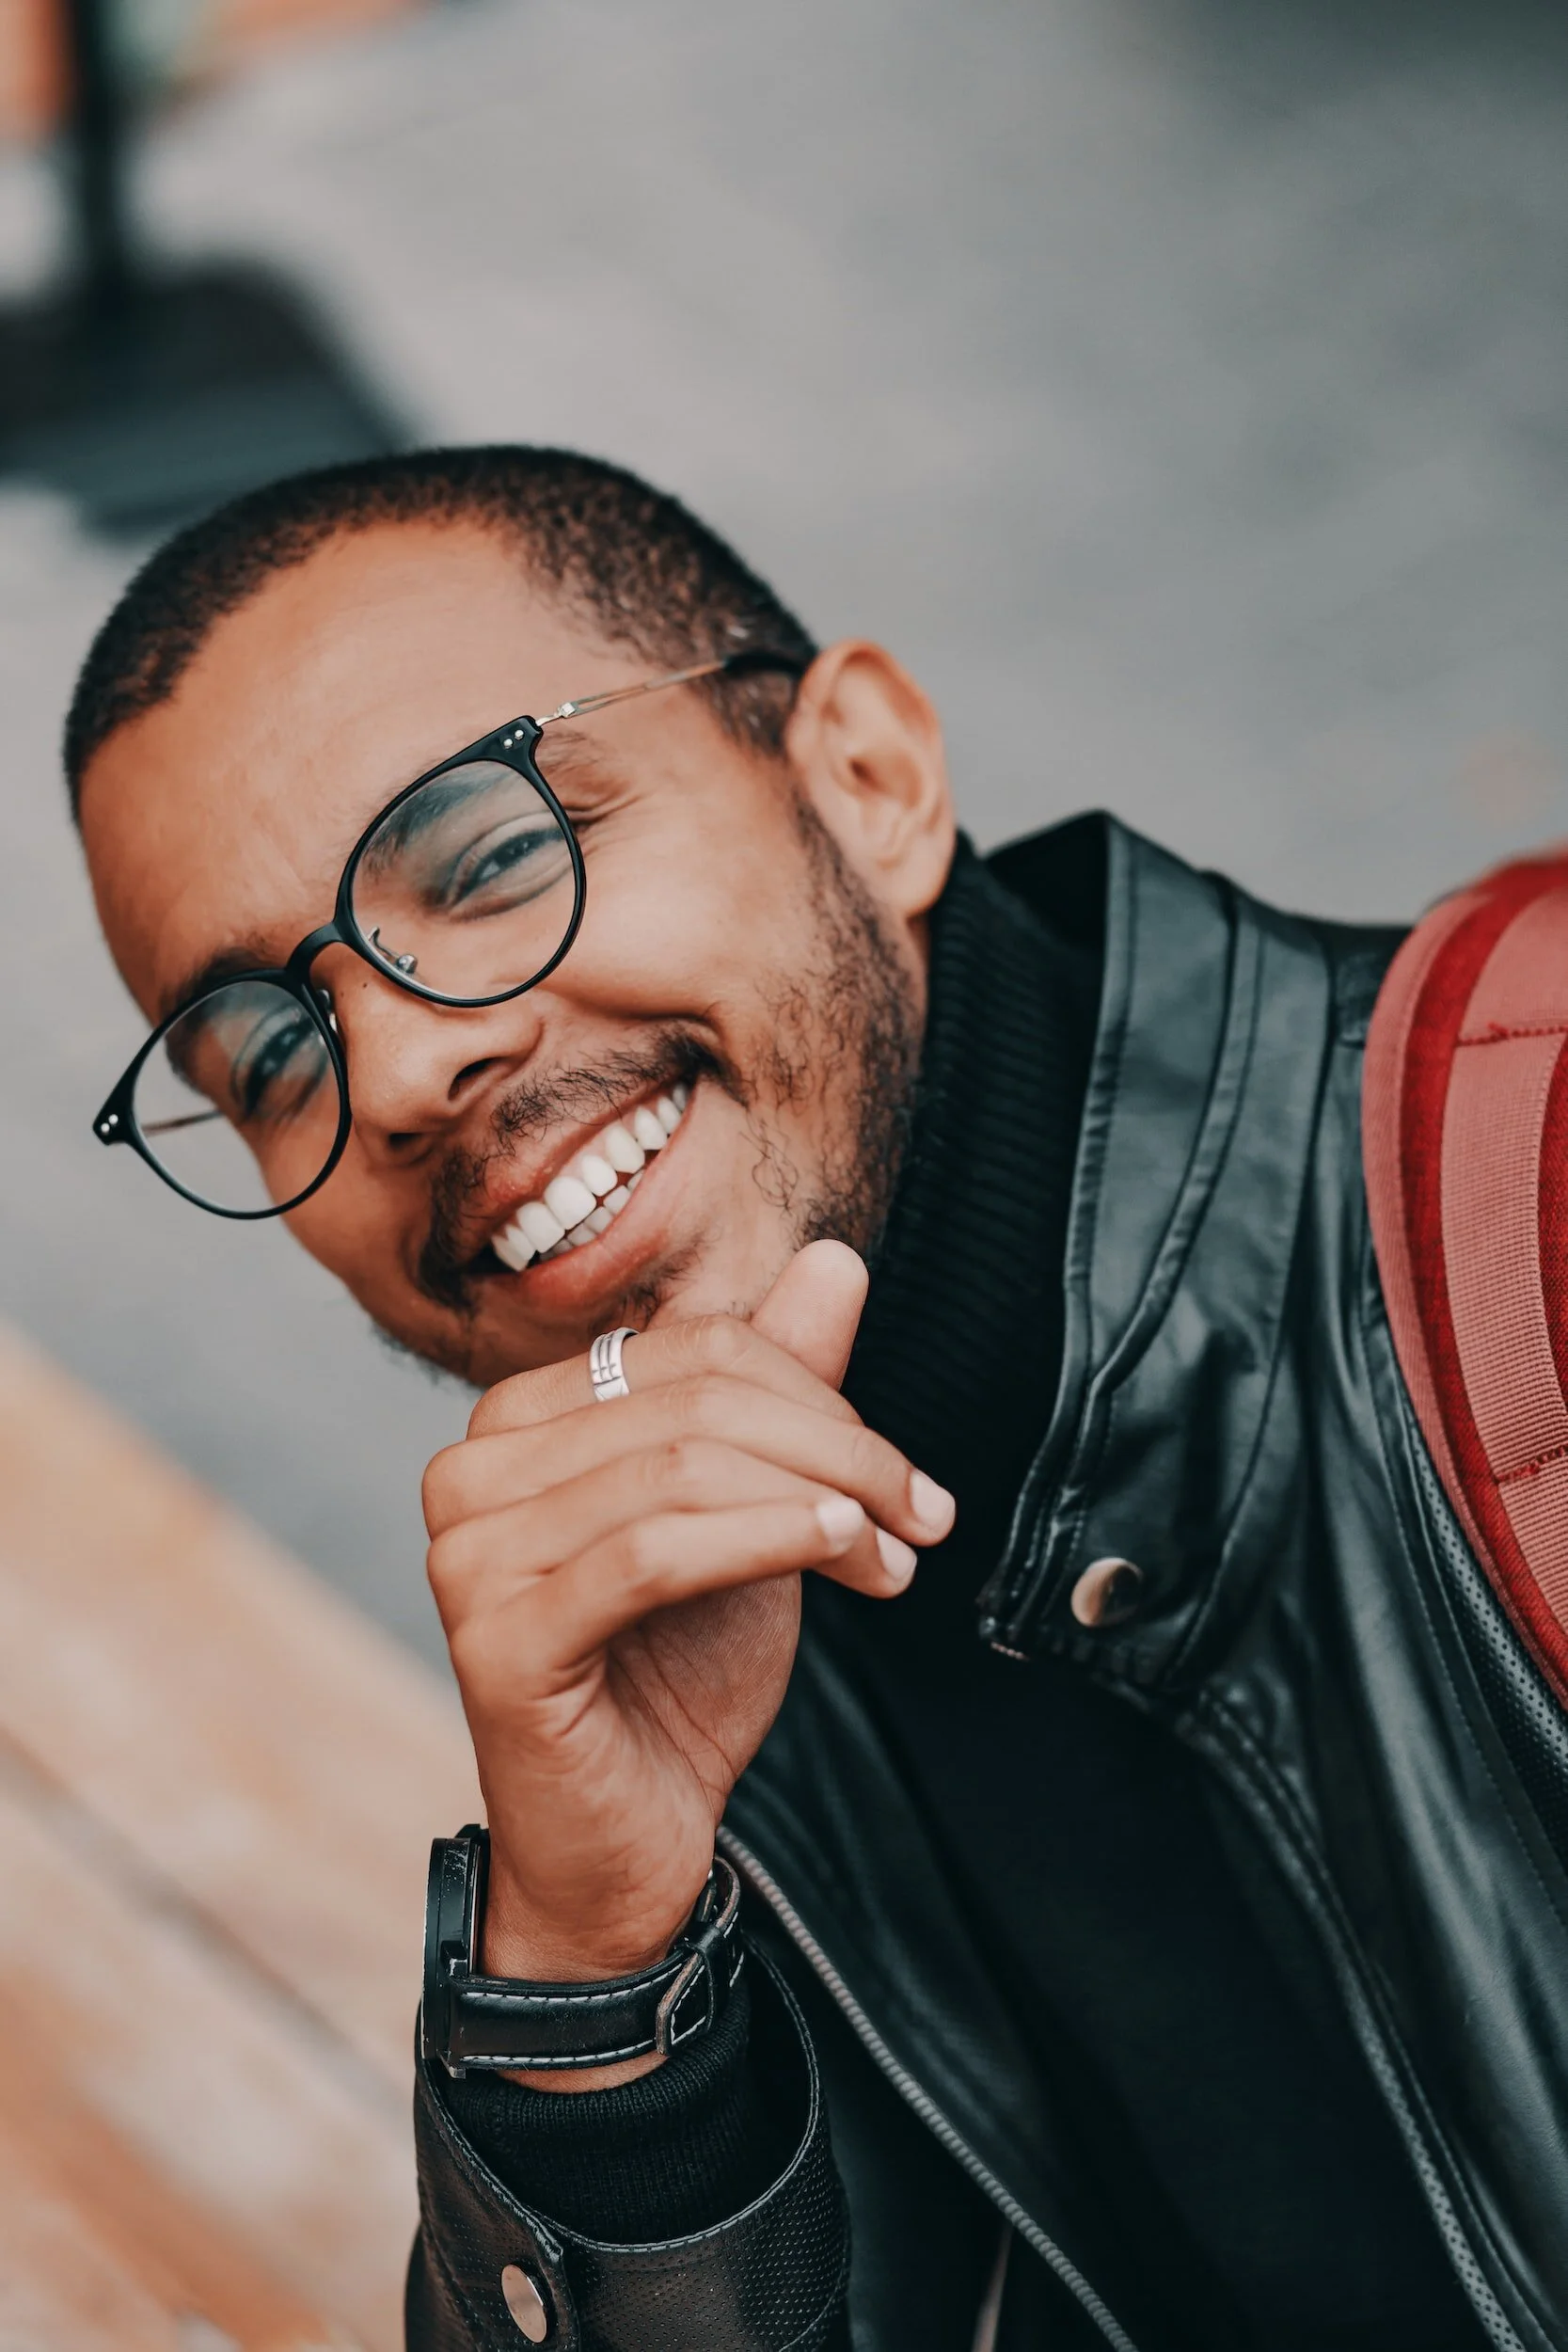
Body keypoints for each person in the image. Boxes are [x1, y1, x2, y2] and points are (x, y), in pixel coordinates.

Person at [66, 446, 1568, 2352]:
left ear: (867, 777)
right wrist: (592, 1994)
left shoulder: (1519, 1200)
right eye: (271, 1046)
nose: (400, 1070)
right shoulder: (679, 1691)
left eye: (493, 853)